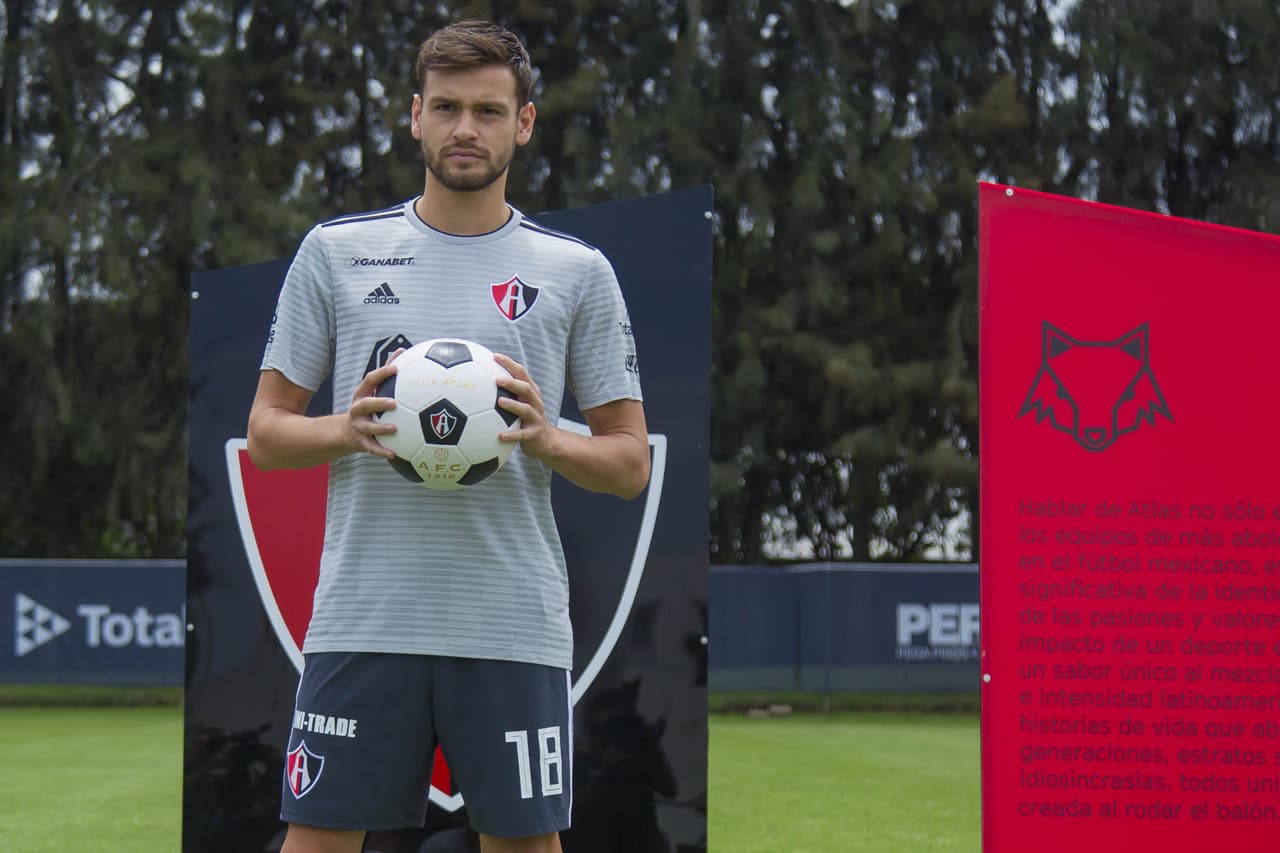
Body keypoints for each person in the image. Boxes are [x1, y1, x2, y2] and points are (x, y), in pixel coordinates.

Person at [246, 19, 650, 853]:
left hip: (510, 624)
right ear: (416, 116)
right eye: (448, 108)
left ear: (524, 123)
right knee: (315, 842)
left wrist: (544, 437)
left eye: (489, 111)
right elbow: (266, 436)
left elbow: (628, 464)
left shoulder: (577, 272)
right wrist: (346, 427)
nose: (466, 129)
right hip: (364, 616)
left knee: (525, 847)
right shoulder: (338, 253)